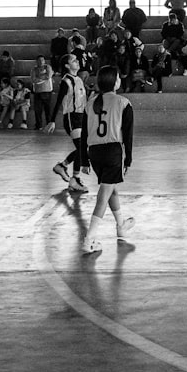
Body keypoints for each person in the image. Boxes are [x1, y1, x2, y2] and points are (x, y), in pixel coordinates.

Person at [78, 65, 136, 254]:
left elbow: (84, 134)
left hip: (94, 152)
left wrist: (84, 160)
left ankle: (121, 225)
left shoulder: (90, 103)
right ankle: (89, 239)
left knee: (111, 190)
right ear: (115, 81)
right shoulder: (123, 102)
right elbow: (128, 135)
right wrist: (128, 160)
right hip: (113, 151)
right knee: (103, 195)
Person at [48, 54, 91, 194]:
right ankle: (75, 179)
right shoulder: (66, 81)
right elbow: (59, 101)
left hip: (81, 117)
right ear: (67, 65)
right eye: (74, 60)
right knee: (81, 148)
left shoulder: (79, 79)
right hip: (72, 118)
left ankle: (62, 166)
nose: (77, 61)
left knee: (84, 148)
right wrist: (52, 120)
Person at [30, 54, 53, 131]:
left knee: (48, 109)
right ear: (36, 61)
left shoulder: (48, 67)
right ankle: (38, 125)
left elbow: (48, 76)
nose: (41, 62)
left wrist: (39, 77)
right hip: (37, 92)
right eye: (39, 60)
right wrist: (42, 77)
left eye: (42, 60)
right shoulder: (34, 69)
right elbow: (33, 79)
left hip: (47, 91)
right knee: (38, 110)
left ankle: (49, 124)